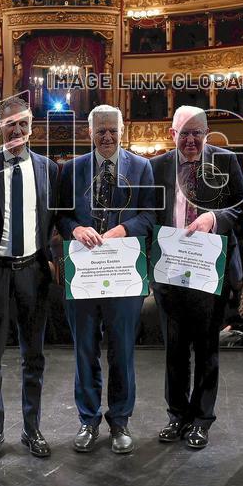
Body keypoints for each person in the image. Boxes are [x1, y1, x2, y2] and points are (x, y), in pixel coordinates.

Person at [57, 105, 155, 455]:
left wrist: (122, 229)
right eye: (100, 130)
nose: (107, 136)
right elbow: (62, 216)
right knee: (84, 351)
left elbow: (149, 217)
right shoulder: (70, 169)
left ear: (122, 130)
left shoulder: (142, 167)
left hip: (124, 273)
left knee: (122, 352)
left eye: (113, 129)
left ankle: (120, 421)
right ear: (89, 133)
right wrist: (76, 228)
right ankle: (87, 419)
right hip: (83, 273)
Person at [148, 106, 243, 449]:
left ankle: (202, 419)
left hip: (209, 272)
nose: (191, 140)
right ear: (172, 133)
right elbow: (148, 216)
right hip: (169, 273)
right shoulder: (156, 165)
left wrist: (213, 219)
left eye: (198, 133)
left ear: (207, 133)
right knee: (174, 350)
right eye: (184, 133)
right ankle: (177, 416)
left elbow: (240, 207)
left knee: (206, 350)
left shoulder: (226, 161)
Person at [0, 97, 60, 461]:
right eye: (10, 124)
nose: (17, 130)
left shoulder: (49, 168)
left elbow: (54, 220)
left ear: (32, 126)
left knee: (33, 357)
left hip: (33, 273)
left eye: (23, 124)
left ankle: (31, 429)